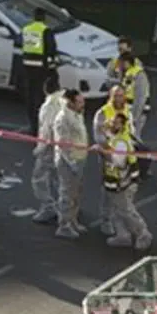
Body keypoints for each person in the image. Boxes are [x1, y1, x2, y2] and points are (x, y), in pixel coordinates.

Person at [101, 114, 153, 250]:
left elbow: (118, 162)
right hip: (115, 181)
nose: (112, 124)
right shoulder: (115, 137)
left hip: (122, 182)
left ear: (122, 126)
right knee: (116, 210)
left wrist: (102, 152)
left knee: (126, 210)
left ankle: (143, 234)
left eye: (116, 123)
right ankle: (122, 235)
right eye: (112, 121)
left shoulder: (121, 142)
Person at [93, 85, 134, 236]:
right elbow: (99, 137)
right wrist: (110, 155)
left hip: (125, 157)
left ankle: (121, 219)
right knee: (108, 189)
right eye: (116, 95)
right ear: (110, 96)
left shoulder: (127, 110)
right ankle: (106, 220)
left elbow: (130, 131)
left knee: (125, 189)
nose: (119, 98)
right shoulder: (103, 113)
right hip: (109, 158)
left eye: (121, 95)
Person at [54, 89, 89, 239]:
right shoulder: (63, 119)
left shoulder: (77, 115)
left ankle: (72, 220)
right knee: (66, 193)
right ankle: (64, 225)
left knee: (76, 193)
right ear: (70, 103)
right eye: (79, 102)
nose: (83, 104)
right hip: (68, 161)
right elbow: (63, 144)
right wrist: (71, 162)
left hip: (79, 158)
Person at [31, 75, 66, 224]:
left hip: (50, 148)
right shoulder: (66, 102)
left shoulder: (49, 105)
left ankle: (48, 207)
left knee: (39, 178)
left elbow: (46, 130)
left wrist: (39, 149)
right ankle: (64, 207)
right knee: (59, 178)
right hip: (65, 147)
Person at [22, 7, 59, 136]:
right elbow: (51, 51)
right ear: (44, 18)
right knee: (42, 98)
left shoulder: (26, 29)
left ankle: (33, 126)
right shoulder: (45, 30)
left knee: (30, 98)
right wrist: (52, 69)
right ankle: (42, 127)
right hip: (41, 69)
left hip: (27, 69)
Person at [118, 52, 151, 138]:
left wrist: (135, 116)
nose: (120, 65)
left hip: (137, 111)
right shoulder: (128, 73)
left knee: (134, 136)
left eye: (122, 63)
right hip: (129, 109)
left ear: (127, 62)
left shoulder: (139, 74)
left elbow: (140, 97)